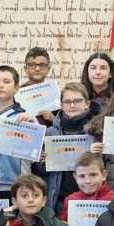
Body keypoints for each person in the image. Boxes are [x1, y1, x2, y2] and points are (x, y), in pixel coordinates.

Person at [39, 82, 99, 215]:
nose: (72, 105)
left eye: (77, 101)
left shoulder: (98, 132)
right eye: (67, 101)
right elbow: (40, 173)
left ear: (87, 104)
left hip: (92, 200)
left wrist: (100, 155)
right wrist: (41, 162)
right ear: (61, 105)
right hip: (58, 201)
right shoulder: (49, 133)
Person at [0, 65, 37, 199]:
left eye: (6, 82)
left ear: (16, 88)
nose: (1, 85)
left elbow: (36, 154)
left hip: (19, 183)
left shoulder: (26, 117)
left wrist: (32, 128)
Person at [21, 47, 56, 127]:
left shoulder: (55, 93)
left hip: (48, 137)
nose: (37, 69)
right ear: (25, 69)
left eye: (42, 65)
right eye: (32, 65)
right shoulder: (17, 93)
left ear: (48, 68)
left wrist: (53, 119)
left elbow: (63, 121)